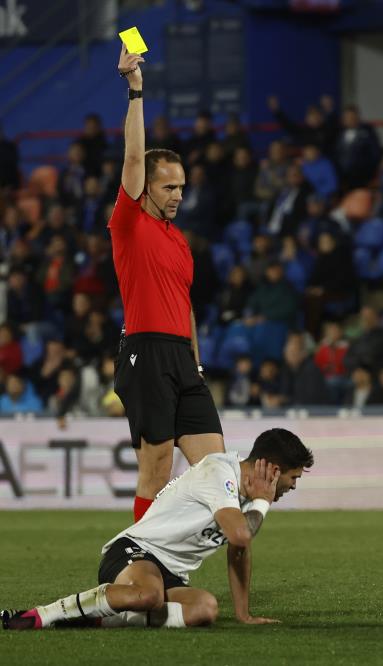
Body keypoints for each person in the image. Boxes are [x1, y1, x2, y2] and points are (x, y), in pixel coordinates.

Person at [2, 428, 313, 630]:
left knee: (204, 609)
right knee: (149, 595)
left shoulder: (246, 495)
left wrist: (243, 614)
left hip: (171, 574)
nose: (293, 486)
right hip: (135, 552)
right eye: (293, 478)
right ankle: (43, 615)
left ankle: (95, 619)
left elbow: (239, 551)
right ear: (273, 470)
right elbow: (240, 536)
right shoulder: (220, 472)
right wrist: (263, 502)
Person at [109, 45, 225, 522]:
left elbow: (186, 303)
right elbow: (134, 155)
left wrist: (196, 362)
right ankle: (140, 566)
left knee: (217, 468)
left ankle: (168, 556)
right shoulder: (129, 223)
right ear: (147, 187)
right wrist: (136, 89)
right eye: (168, 187)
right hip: (146, 351)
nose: (177, 195)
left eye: (181, 187)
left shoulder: (178, 241)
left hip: (181, 358)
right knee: (156, 472)